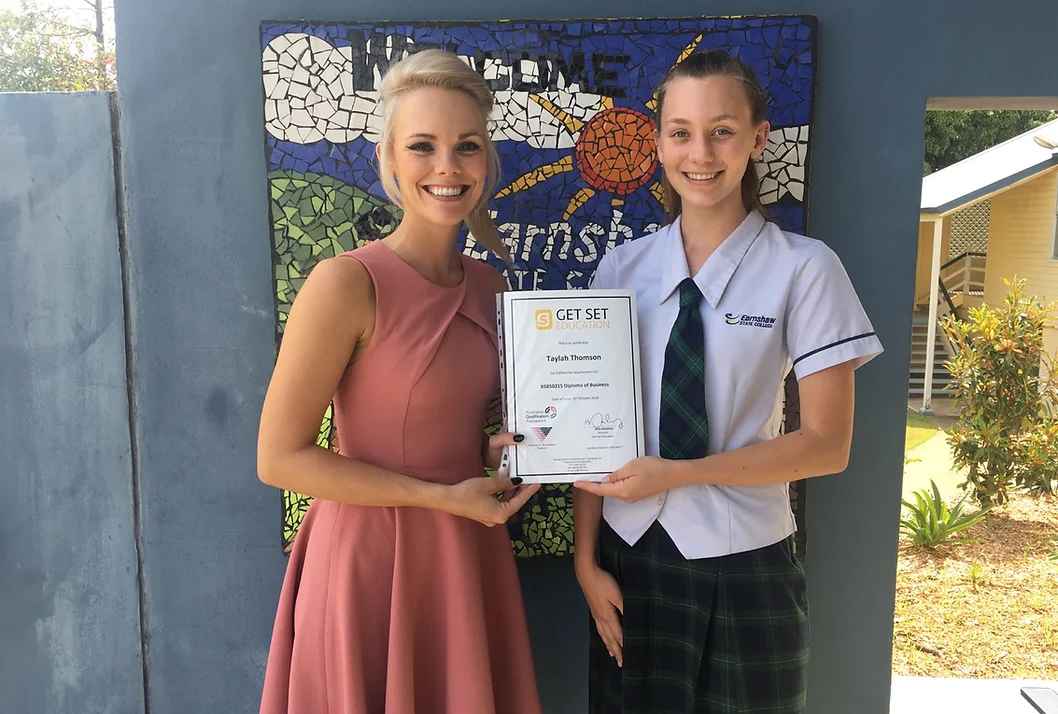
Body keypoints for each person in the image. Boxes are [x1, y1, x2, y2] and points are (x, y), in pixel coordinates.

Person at [572, 50, 884, 714]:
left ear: (757, 138)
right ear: (658, 144)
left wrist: (677, 475)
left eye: (722, 130)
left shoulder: (804, 269)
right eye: (680, 132)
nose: (701, 153)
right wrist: (584, 561)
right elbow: (589, 427)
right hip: (631, 562)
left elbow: (828, 446)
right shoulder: (620, 271)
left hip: (748, 566)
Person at [256, 49, 543, 714]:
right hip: (368, 564)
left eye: (466, 147)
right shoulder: (345, 283)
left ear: (487, 163)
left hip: (465, 554)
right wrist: (440, 500)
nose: (447, 167)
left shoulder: (491, 288)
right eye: (423, 146)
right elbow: (278, 458)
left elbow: (461, 433)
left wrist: (501, 456)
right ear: (388, 160)